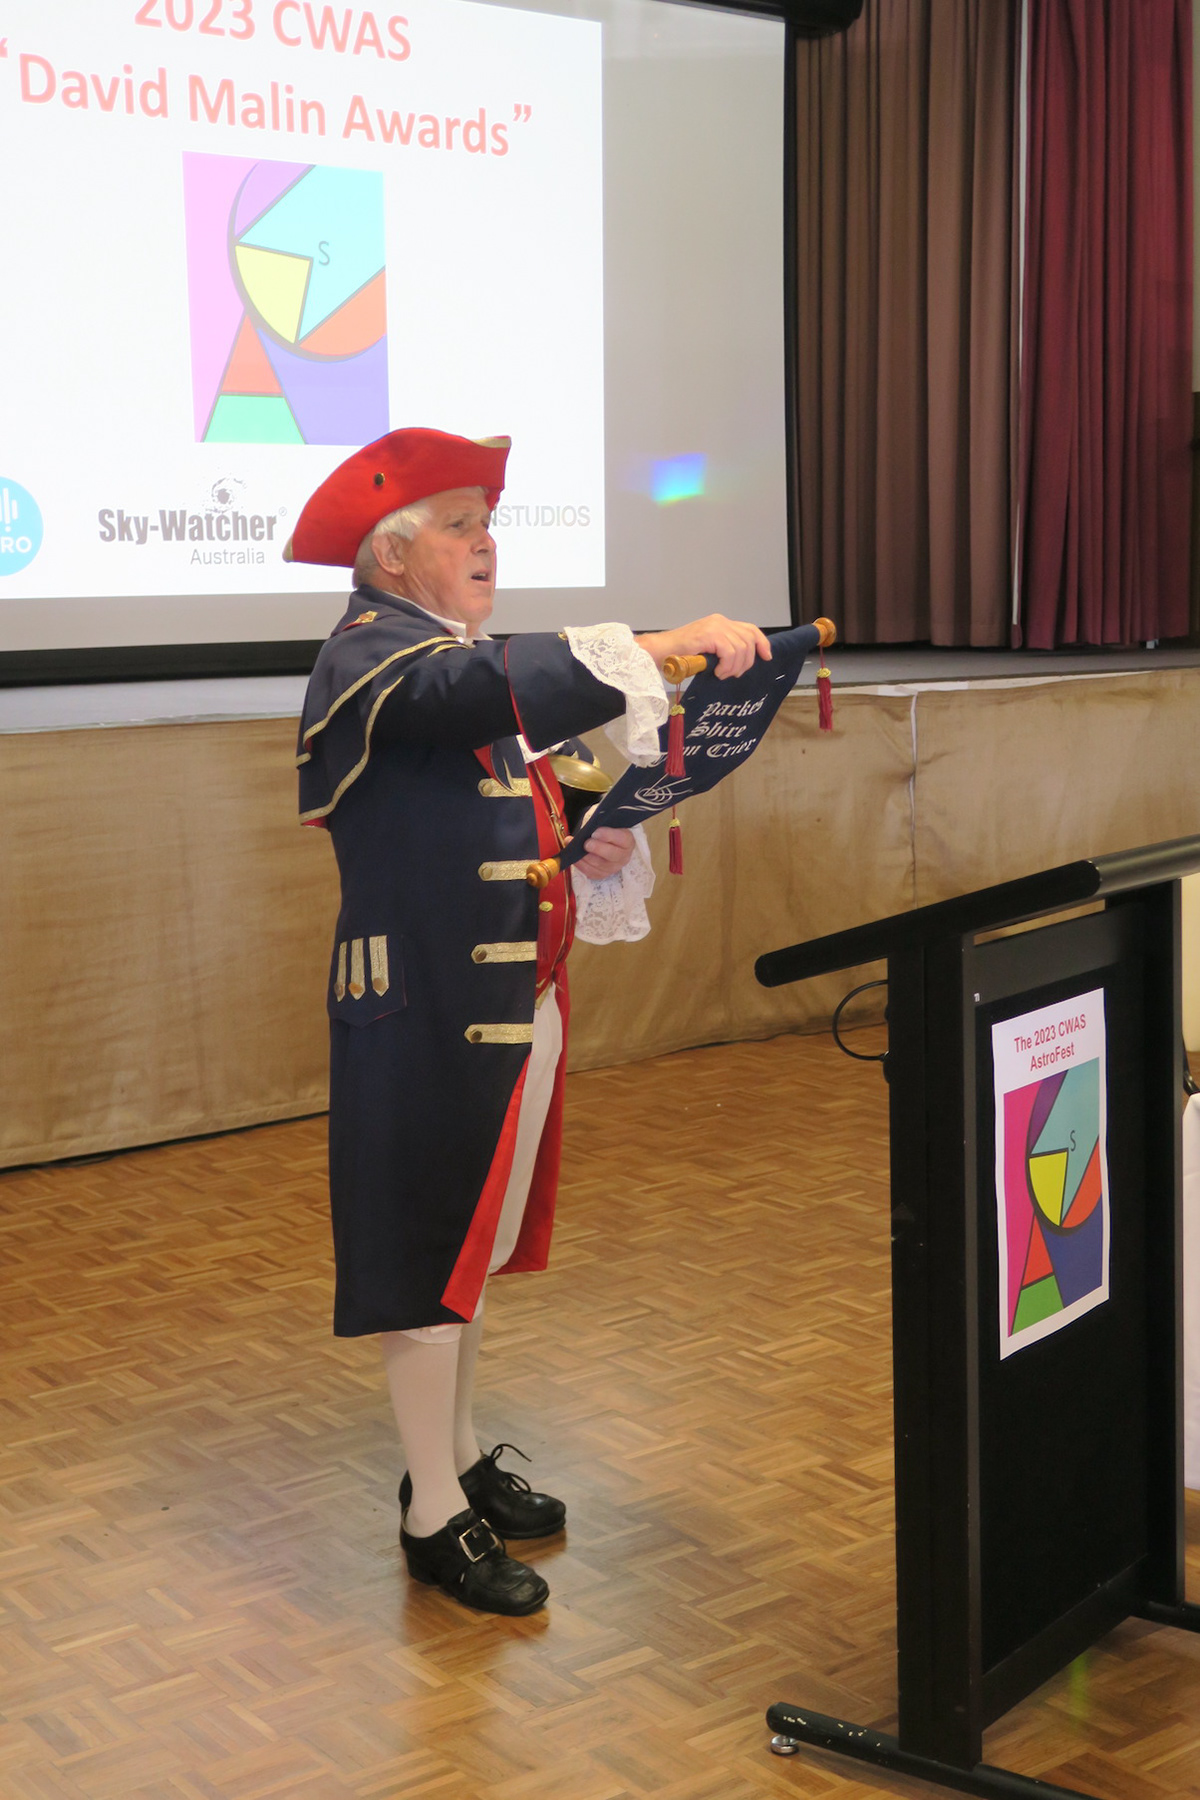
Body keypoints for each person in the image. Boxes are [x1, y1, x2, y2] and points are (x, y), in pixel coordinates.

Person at [289, 427, 769, 1616]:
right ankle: (429, 1516)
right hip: (425, 1013)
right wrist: (658, 645)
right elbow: (474, 694)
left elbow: (495, 813)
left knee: (471, 1257)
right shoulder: (371, 655)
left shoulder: (447, 658)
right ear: (392, 559)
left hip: (508, 1005)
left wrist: (592, 833)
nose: (485, 540)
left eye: (485, 521)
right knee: (426, 1258)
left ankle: (450, 1463)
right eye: (458, 525)